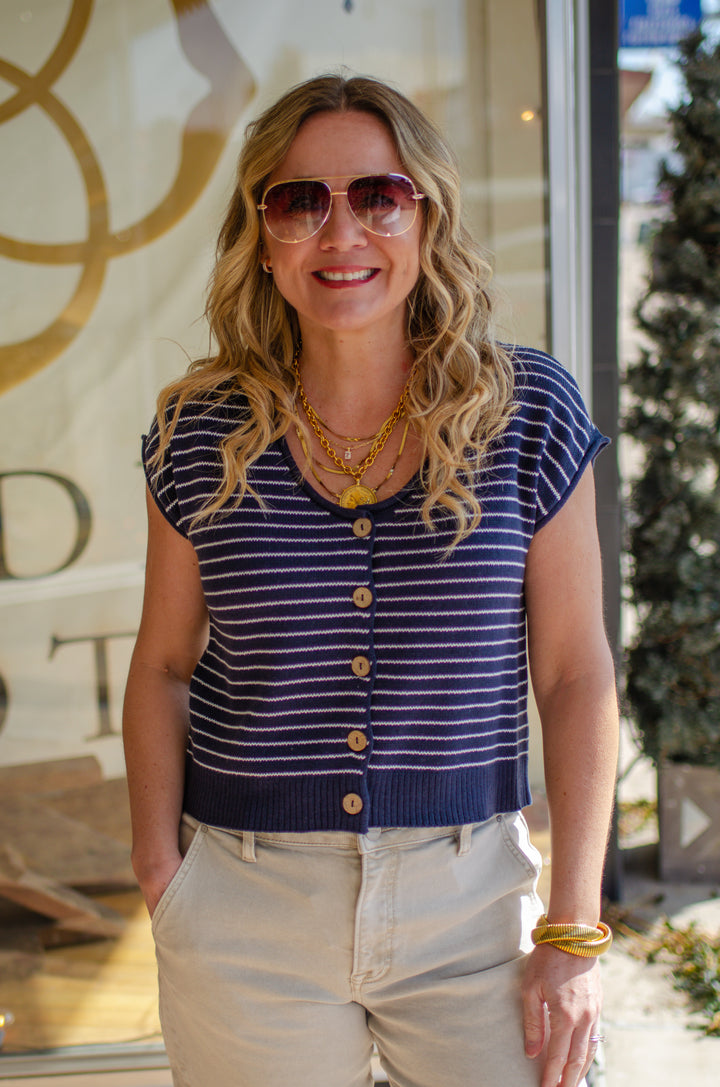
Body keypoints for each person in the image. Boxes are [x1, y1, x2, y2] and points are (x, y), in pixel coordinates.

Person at [122, 73, 619, 1087]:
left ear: (426, 215)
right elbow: (164, 663)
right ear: (263, 233)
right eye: (300, 201)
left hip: (473, 900)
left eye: (379, 196)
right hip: (247, 911)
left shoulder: (527, 414)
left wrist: (572, 929)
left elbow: (575, 675)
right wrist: (161, 875)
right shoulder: (200, 430)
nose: (340, 232)